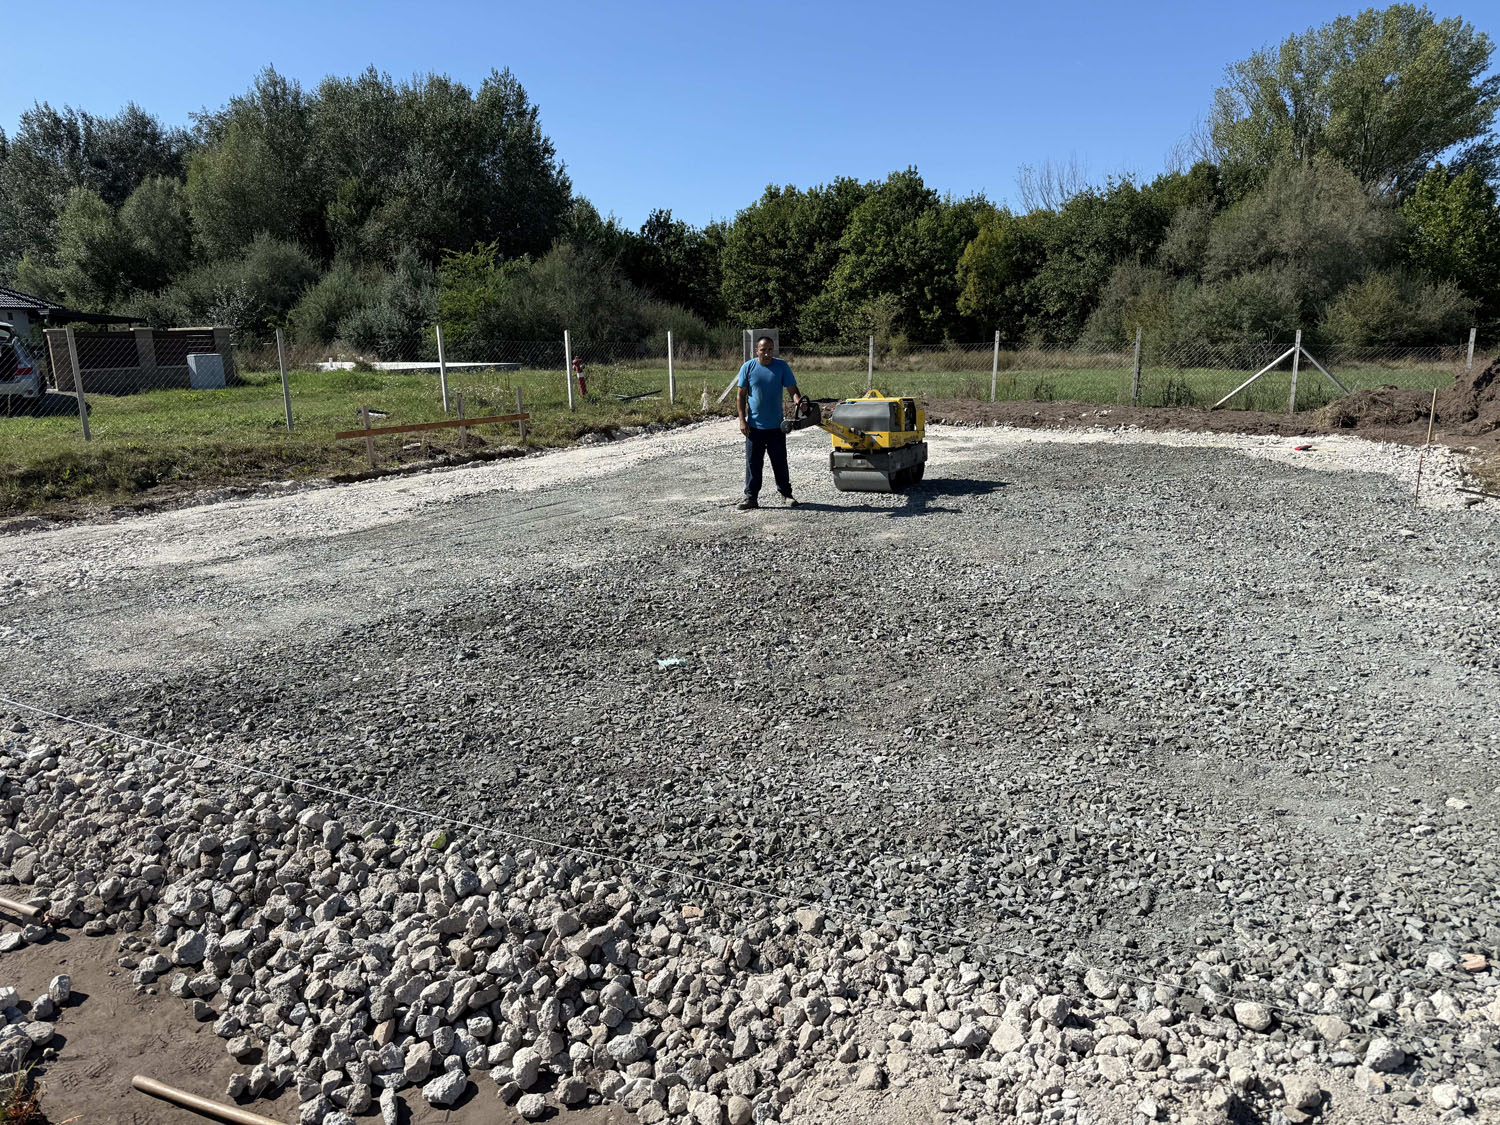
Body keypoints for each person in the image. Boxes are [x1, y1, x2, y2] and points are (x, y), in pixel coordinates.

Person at [736, 336, 801, 510]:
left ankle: (786, 495)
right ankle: (751, 498)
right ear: (757, 351)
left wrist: (799, 402)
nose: (767, 353)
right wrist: (742, 420)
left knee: (780, 463)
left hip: (776, 427)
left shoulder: (781, 366)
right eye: (763, 350)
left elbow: (793, 390)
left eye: (770, 349)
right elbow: (741, 396)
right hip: (754, 427)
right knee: (753, 464)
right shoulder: (748, 367)